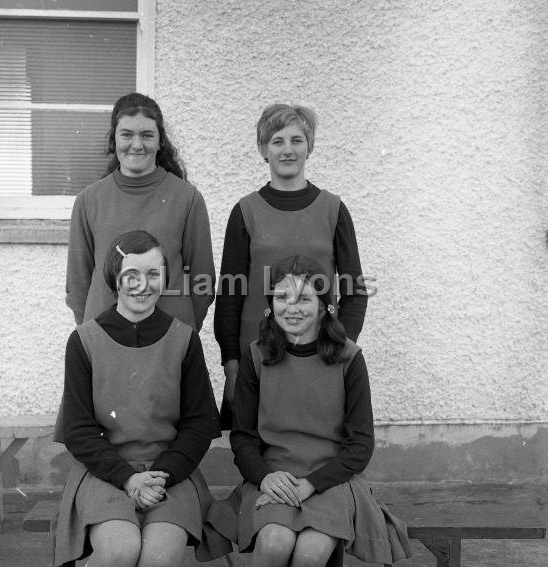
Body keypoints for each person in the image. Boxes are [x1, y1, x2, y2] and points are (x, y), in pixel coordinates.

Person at [230, 255, 411, 567]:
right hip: (276, 475)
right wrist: (264, 477)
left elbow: (360, 445)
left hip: (330, 479)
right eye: (282, 297)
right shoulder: (257, 356)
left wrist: (311, 484)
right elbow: (243, 437)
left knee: (310, 554)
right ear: (271, 304)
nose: (292, 307)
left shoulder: (349, 359)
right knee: (274, 542)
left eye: (304, 298)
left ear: (326, 305)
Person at [54, 230, 221, 567]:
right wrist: (128, 478)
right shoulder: (84, 341)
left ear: (165, 278)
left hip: (171, 473)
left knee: (159, 556)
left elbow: (200, 424)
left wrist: (162, 475)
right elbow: (77, 429)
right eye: (132, 274)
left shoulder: (184, 339)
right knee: (119, 551)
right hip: (106, 472)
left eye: (153, 274)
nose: (143, 284)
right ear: (115, 278)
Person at [214, 103, 368, 427]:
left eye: (297, 140)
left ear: (309, 147)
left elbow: (354, 291)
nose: (287, 150)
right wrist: (231, 365)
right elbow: (229, 297)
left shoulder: (334, 209)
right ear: (262, 149)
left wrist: (340, 348)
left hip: (320, 354)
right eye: (277, 141)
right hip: (259, 357)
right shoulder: (245, 211)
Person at [66, 92, 215, 331]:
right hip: (105, 340)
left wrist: (181, 334)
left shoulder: (188, 199)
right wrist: (93, 336)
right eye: (127, 135)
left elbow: (203, 282)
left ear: (160, 141)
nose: (137, 145)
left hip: (170, 339)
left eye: (147, 135)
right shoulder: (88, 201)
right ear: (114, 139)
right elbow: (77, 284)